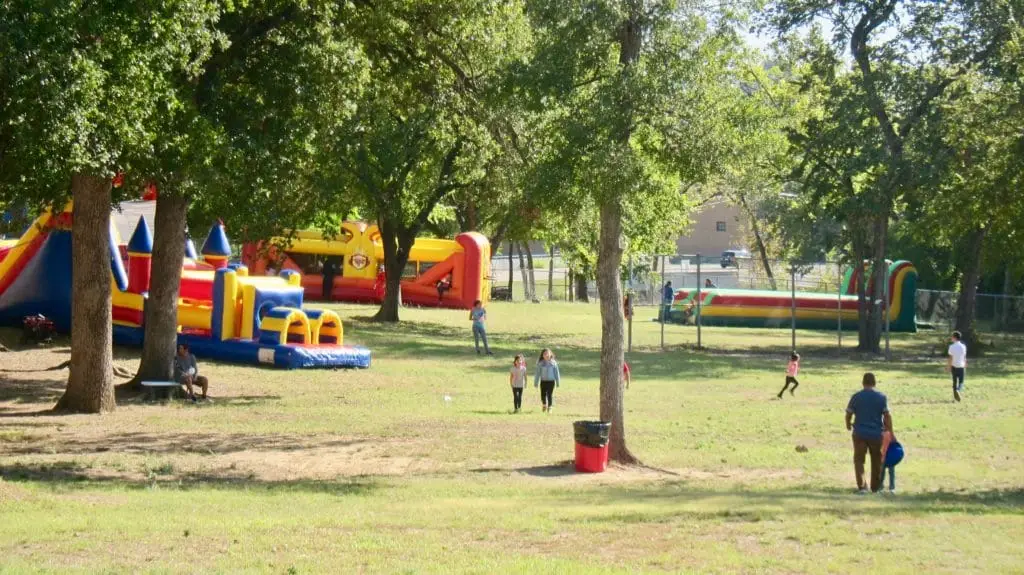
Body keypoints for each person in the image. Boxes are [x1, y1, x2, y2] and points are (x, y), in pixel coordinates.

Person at [845, 372, 893, 493]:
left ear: (863, 383)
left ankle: (862, 487)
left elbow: (848, 414)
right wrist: (889, 431)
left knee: (859, 460)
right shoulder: (881, 397)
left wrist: (848, 424)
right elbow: (887, 416)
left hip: (859, 433)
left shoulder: (856, 396)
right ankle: (875, 487)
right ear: (874, 383)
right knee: (876, 460)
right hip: (876, 434)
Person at [534, 348, 560, 413]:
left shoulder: (554, 363)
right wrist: (536, 382)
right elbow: (537, 373)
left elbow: (557, 373)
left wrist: (558, 382)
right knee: (543, 394)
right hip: (543, 381)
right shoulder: (540, 363)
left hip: (551, 381)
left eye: (547, 353)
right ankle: (544, 405)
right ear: (542, 355)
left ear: (550, 354)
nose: (546, 355)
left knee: (550, 394)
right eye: (545, 354)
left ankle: (550, 407)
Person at [946, 330, 967, 402]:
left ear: (955, 338)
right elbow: (964, 357)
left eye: (952, 337)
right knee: (961, 382)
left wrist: (948, 366)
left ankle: (956, 396)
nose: (951, 338)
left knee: (954, 382)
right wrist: (965, 363)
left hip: (954, 366)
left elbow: (950, 358)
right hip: (961, 366)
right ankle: (958, 390)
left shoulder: (951, 347)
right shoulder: (963, 346)